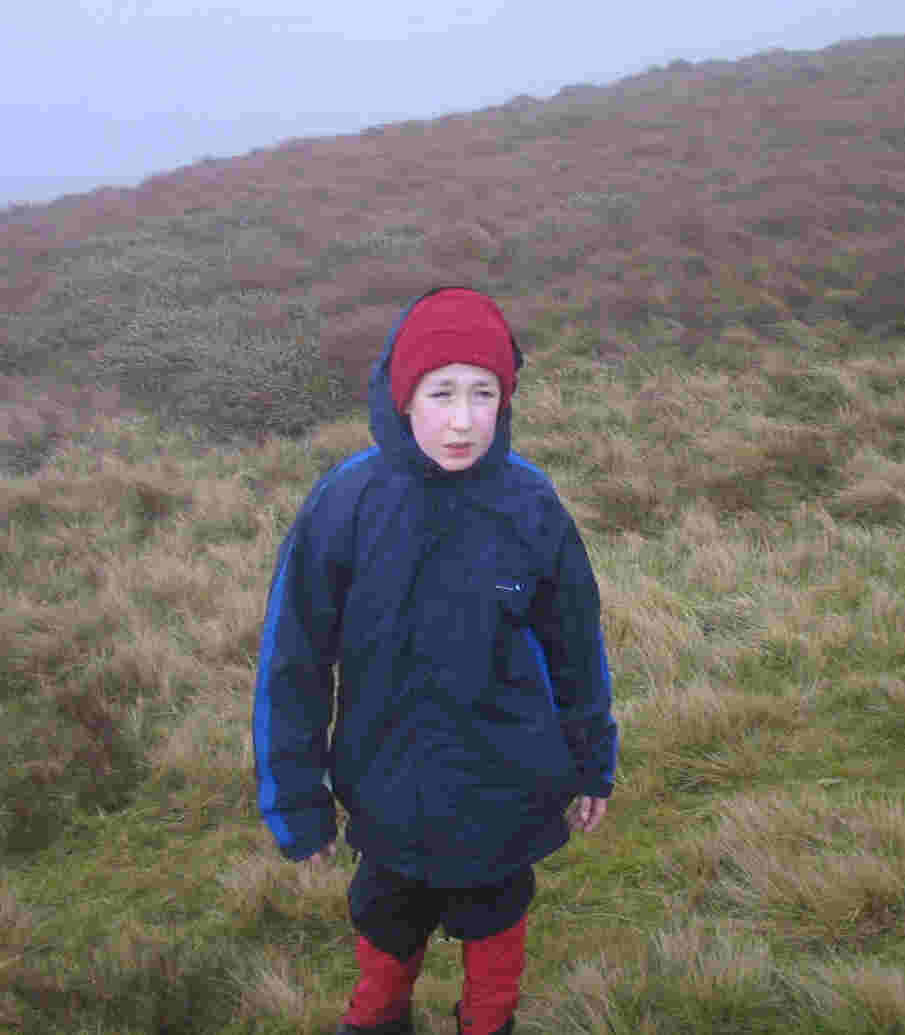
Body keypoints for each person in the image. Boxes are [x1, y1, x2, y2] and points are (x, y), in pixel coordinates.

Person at [253, 286, 619, 1035]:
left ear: (505, 398)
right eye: (440, 391)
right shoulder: (345, 503)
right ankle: (377, 1019)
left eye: (482, 393)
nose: (461, 419)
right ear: (402, 394)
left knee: (495, 924)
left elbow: (575, 646)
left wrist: (591, 760)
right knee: (387, 920)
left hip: (505, 789)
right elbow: (292, 657)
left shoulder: (531, 504)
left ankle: (487, 1024)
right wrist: (297, 794)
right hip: (385, 785)